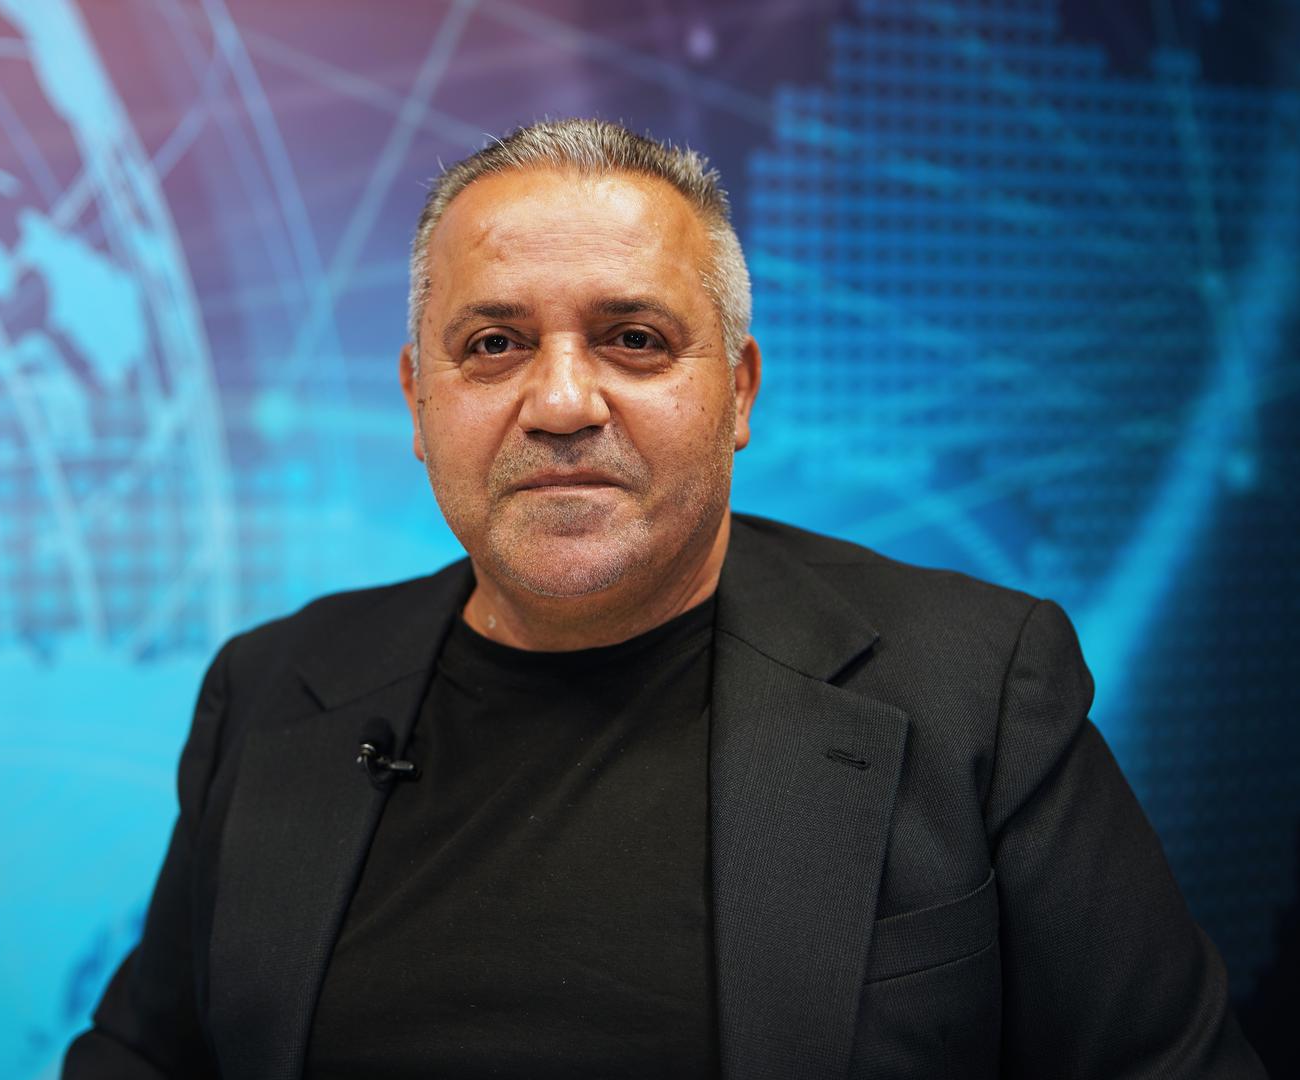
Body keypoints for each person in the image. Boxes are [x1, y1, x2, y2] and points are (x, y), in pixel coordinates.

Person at [62, 119, 1265, 1079]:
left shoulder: (976, 688)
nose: (562, 404)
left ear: (738, 392)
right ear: (419, 401)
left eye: (634, 338)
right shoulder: (274, 687)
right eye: (494, 345)